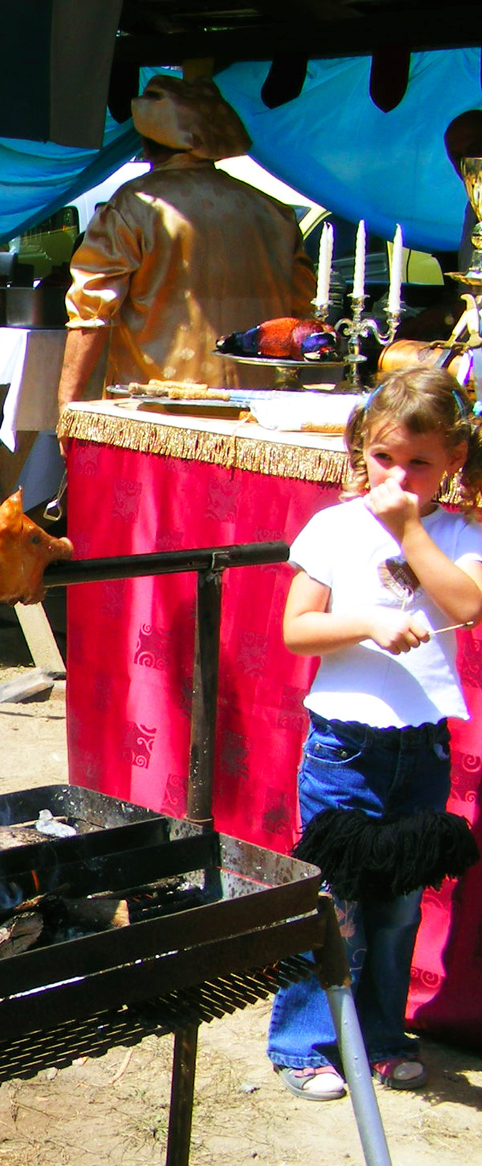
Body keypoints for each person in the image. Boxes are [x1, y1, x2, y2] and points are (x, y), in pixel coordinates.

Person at [268, 367, 482, 1100]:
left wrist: (411, 529)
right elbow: (298, 629)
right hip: (344, 749)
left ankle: (382, 1036)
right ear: (362, 450)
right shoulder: (332, 528)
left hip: (418, 750)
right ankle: (303, 1041)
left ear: (453, 461)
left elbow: (468, 603)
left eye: (419, 462)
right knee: (332, 899)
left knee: (396, 907)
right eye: (385, 458)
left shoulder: (454, 533)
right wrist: (367, 622)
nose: (398, 475)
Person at [57, 76, 315, 409]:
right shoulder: (273, 212)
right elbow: (301, 307)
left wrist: (68, 404)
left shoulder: (135, 205)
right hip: (258, 411)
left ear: (146, 143)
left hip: (159, 413)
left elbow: (91, 312)